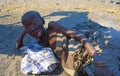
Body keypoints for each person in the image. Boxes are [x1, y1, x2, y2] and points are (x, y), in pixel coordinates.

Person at [16, 11, 114, 76]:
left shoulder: (52, 27)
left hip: (85, 50)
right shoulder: (38, 42)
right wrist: (26, 31)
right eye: (27, 27)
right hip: (77, 61)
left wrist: (97, 59)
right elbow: (18, 45)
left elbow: (78, 36)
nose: (32, 28)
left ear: (42, 21)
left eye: (34, 23)